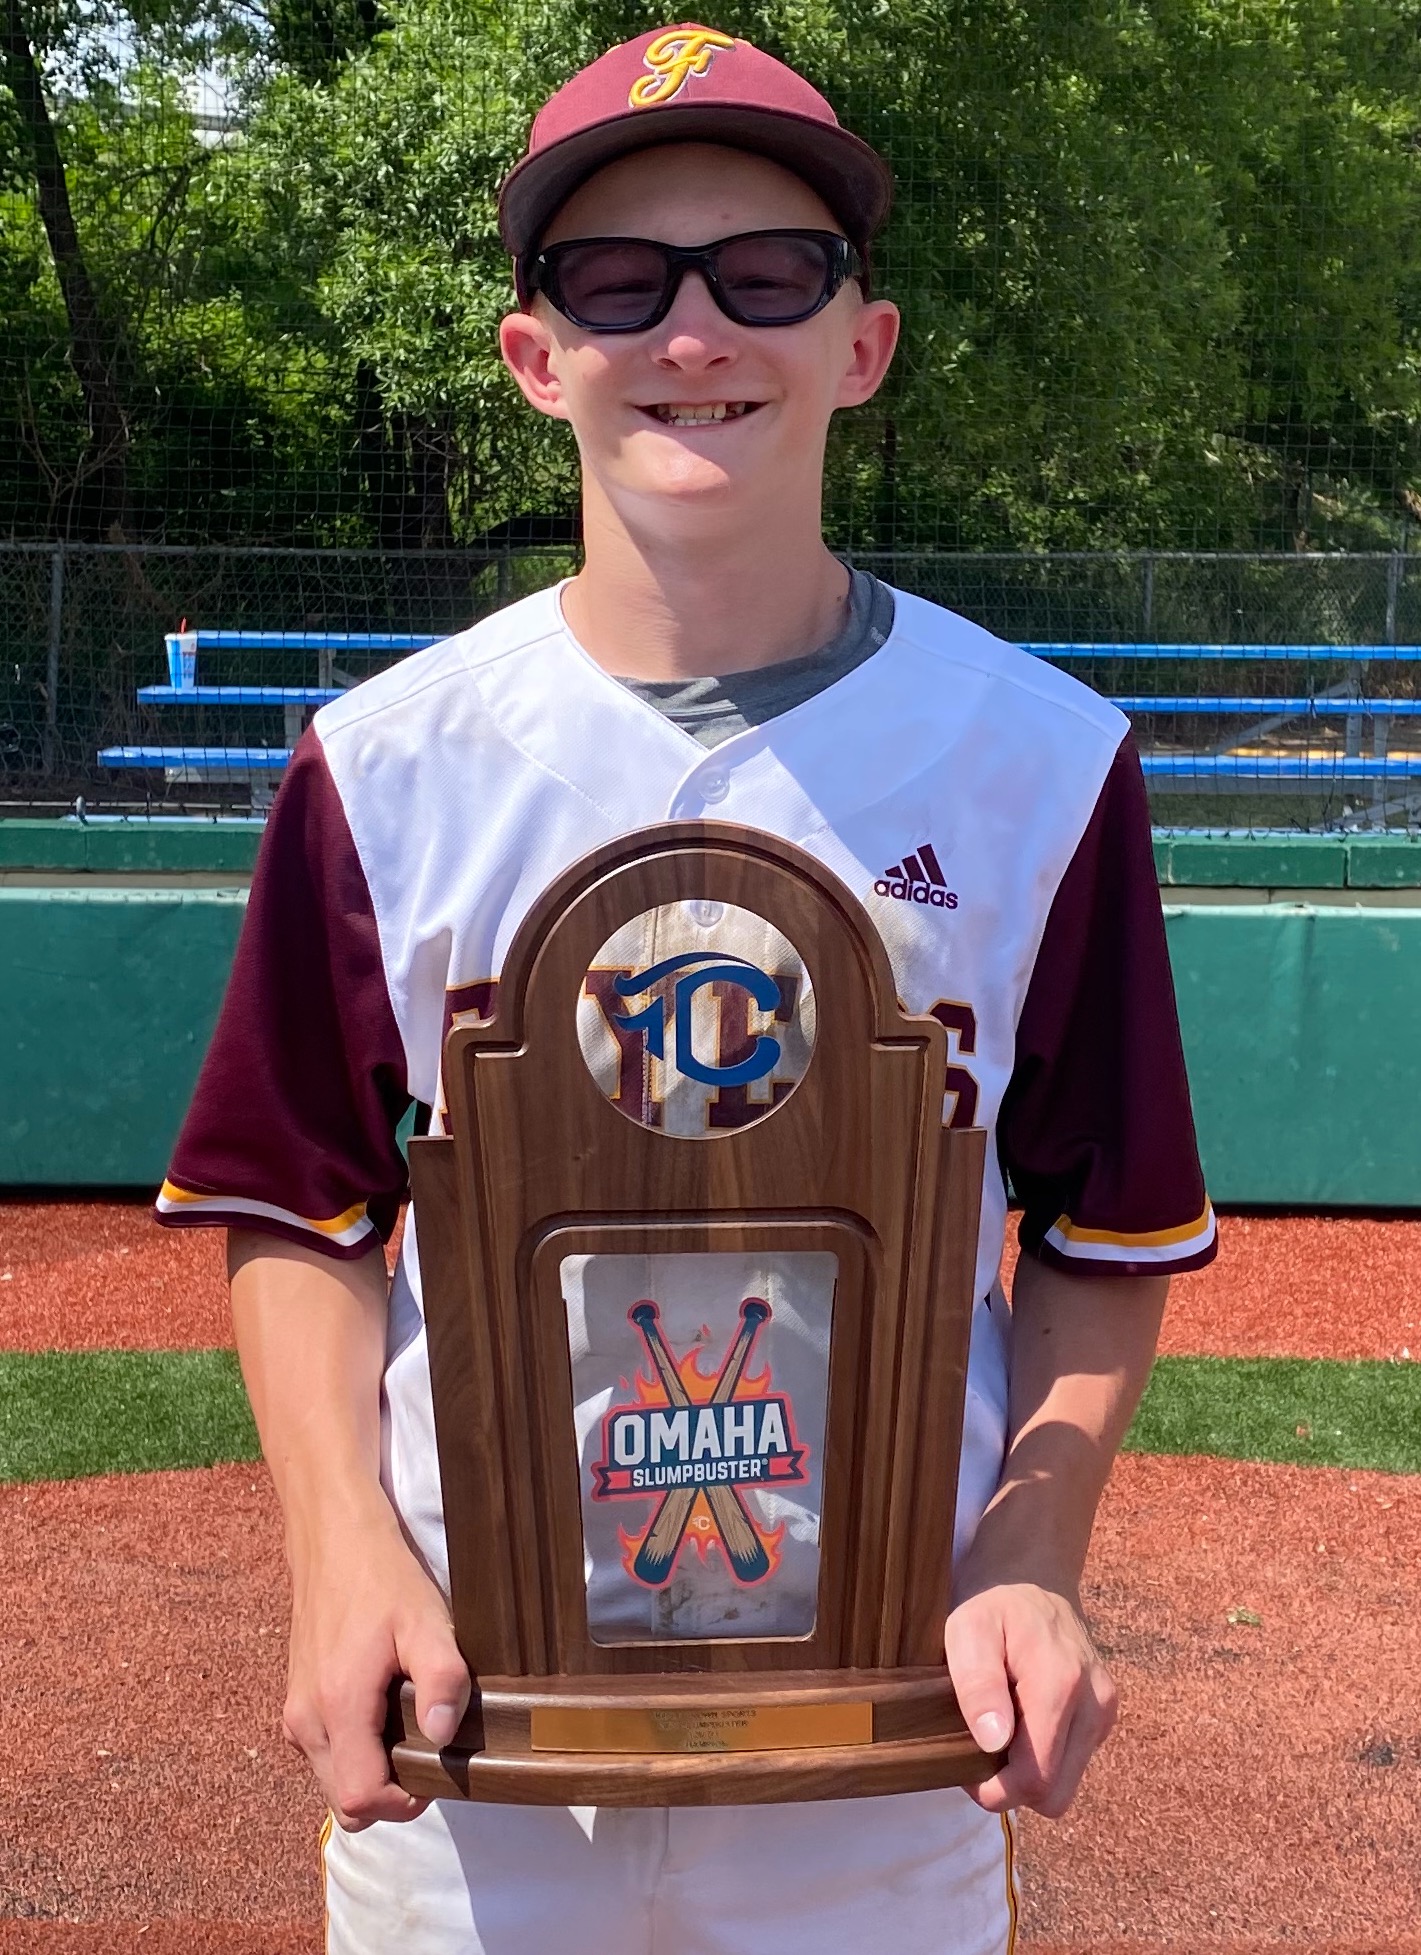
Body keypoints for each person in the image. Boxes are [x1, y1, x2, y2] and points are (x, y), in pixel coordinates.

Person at [156, 23, 1216, 1954]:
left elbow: (1104, 1220)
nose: (696, 330)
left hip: (882, 1731)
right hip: (477, 1733)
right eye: (618, 280)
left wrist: (1031, 1549)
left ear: (862, 345)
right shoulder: (384, 763)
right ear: (534, 354)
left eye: (768, 273)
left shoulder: (1039, 759)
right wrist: (338, 1549)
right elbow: (295, 1205)